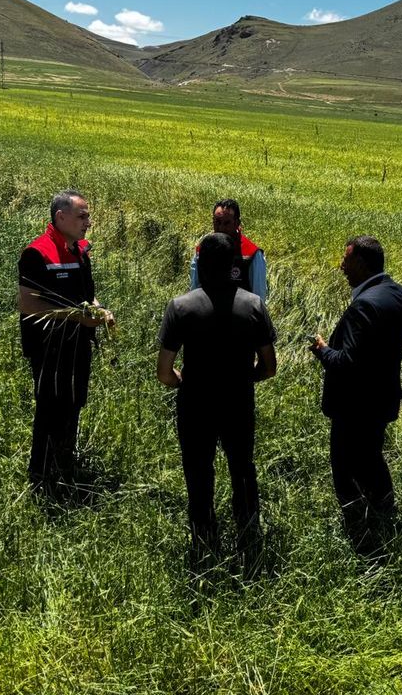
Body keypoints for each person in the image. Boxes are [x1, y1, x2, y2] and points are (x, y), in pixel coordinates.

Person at [158, 233, 278, 568]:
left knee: (198, 471)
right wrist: (244, 378)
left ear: (201, 264)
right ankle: (248, 533)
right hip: (238, 401)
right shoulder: (253, 306)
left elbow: (164, 372)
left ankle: (204, 537)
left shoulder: (180, 307)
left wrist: (184, 381)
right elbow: (269, 367)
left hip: (195, 401)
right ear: (233, 266)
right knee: (242, 468)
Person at [310, 236, 402, 555]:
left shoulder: (364, 305)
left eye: (347, 260)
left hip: (354, 406)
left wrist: (322, 349)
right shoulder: (398, 293)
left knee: (345, 468)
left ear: (363, 264)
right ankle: (384, 511)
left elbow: (347, 362)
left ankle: (358, 530)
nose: (342, 266)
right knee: (372, 459)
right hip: (382, 397)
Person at [17, 190, 115, 499]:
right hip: (49, 348)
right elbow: (28, 304)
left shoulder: (80, 251)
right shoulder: (37, 253)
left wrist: (100, 311)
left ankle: (64, 469)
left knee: (73, 404)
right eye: (82, 216)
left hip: (78, 345)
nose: (88, 221)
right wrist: (78, 318)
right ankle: (42, 479)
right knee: (51, 408)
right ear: (61, 217)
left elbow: (88, 295)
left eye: (88, 215)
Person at [188, 198, 268, 301]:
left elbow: (259, 298)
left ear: (237, 223)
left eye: (226, 223)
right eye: (217, 222)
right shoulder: (201, 251)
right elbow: (194, 290)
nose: (221, 228)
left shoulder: (252, 255)